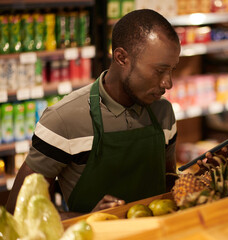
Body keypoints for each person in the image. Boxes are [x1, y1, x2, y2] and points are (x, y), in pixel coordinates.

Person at [6, 9, 180, 219]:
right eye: (159, 71)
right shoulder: (64, 120)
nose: (168, 83)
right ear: (121, 57)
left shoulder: (164, 113)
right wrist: (88, 217)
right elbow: (19, 211)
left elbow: (168, 181)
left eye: (172, 70)